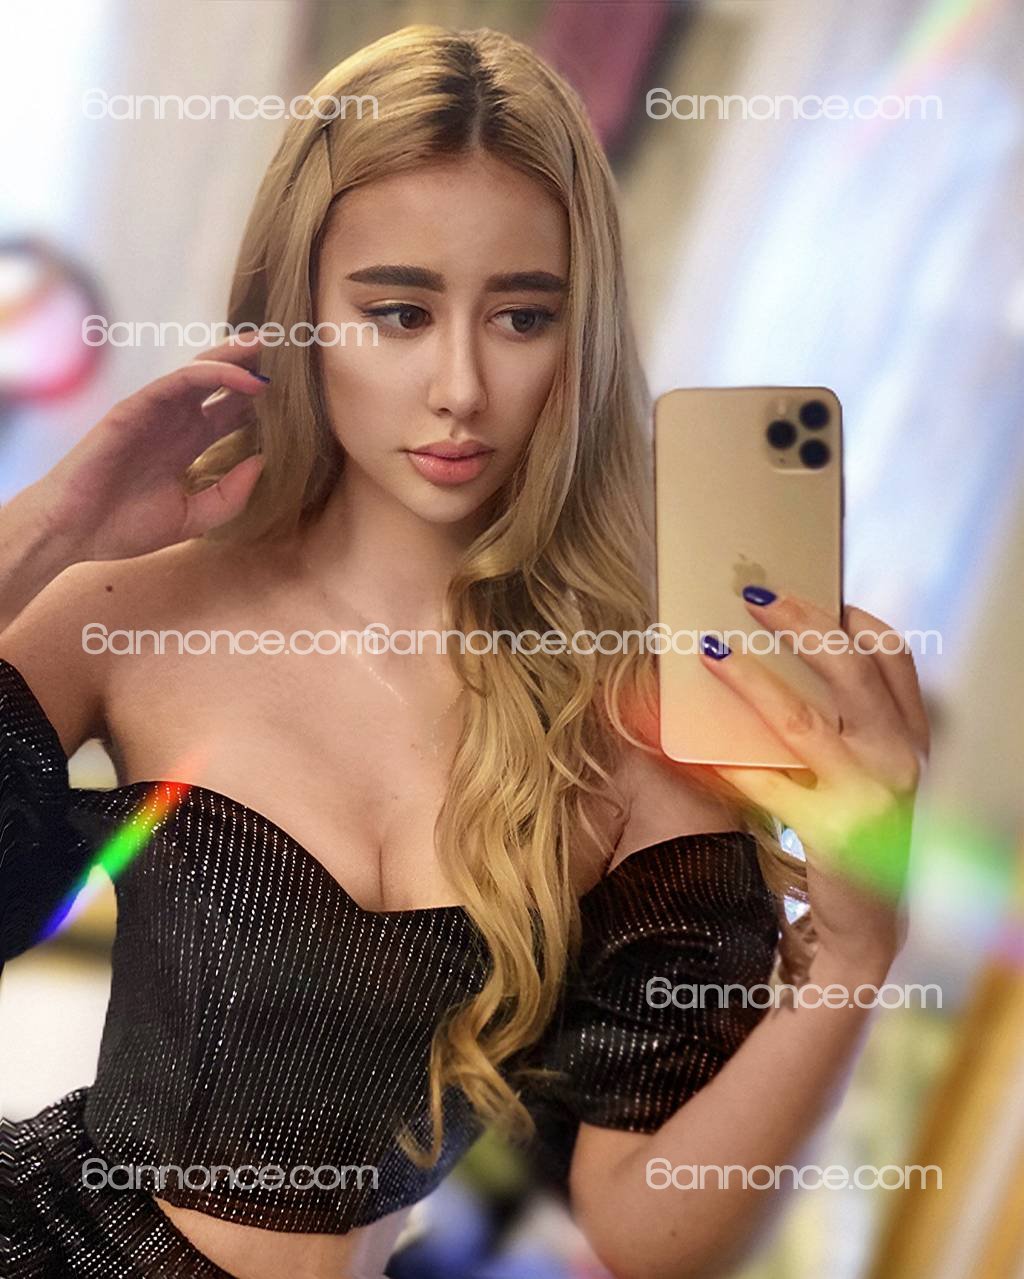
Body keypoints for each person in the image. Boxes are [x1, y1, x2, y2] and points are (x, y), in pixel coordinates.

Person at [0, 25, 928, 1279]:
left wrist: (858, 952)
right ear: (300, 314)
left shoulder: (640, 727)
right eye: (397, 312)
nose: (460, 387)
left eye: (522, 315)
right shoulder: (132, 611)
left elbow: (650, 1230)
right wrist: (46, 531)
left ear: (580, 338)